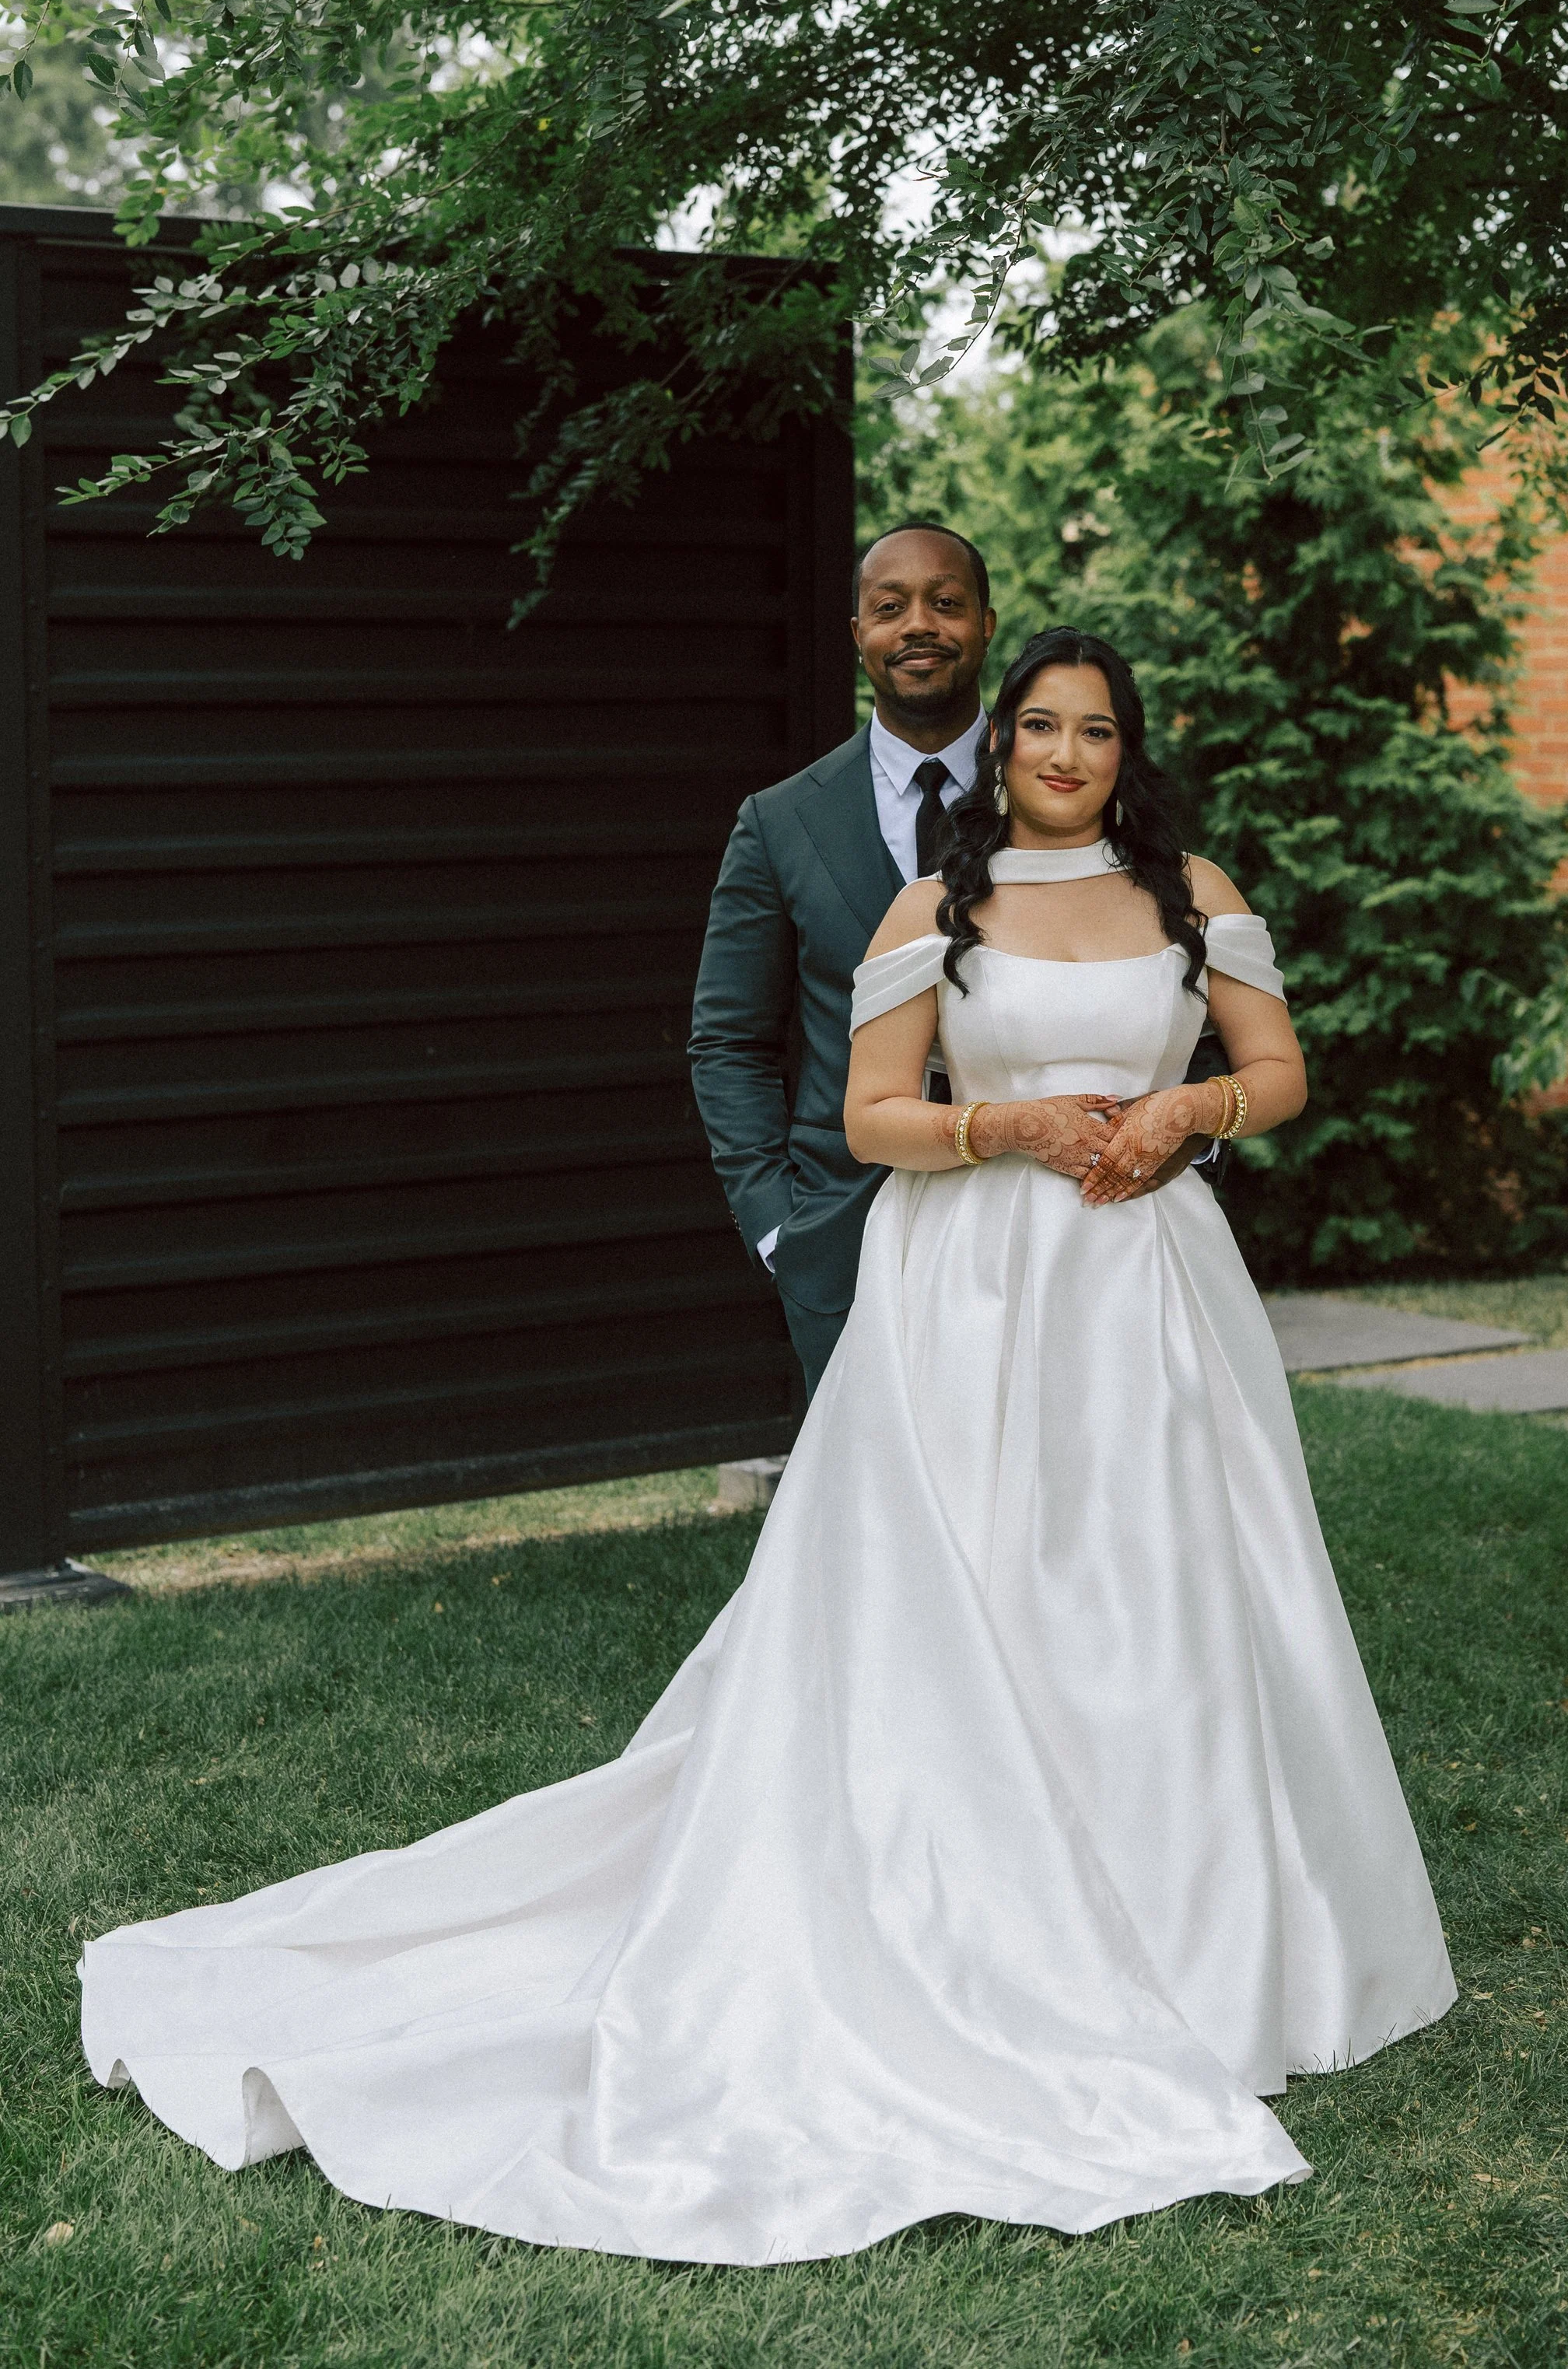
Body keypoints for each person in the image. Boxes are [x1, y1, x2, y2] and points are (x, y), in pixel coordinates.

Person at [76, 627, 1455, 2268]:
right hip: (969, 1286)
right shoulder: (931, 907)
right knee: (975, 1591)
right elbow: (870, 1112)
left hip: (1149, 1285)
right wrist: (1001, 1124)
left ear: (1126, 746)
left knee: (1163, 1592)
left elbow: (1282, 1068)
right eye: (1039, 725)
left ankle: (1208, 1938)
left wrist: (1186, 1111)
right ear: (999, 744)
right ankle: (969, 1914)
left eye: (1095, 728)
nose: (1066, 752)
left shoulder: (1188, 891)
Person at [688, 520, 1213, 1401]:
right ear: (858, 632)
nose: (918, 624)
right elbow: (728, 1040)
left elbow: (1173, 981)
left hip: (1075, 1226)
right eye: (889, 607)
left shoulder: (1076, 789)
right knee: (886, 1519)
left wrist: (1184, 1145)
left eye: (945, 602)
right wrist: (780, 1226)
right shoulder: (778, 824)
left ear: (987, 624)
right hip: (845, 1229)